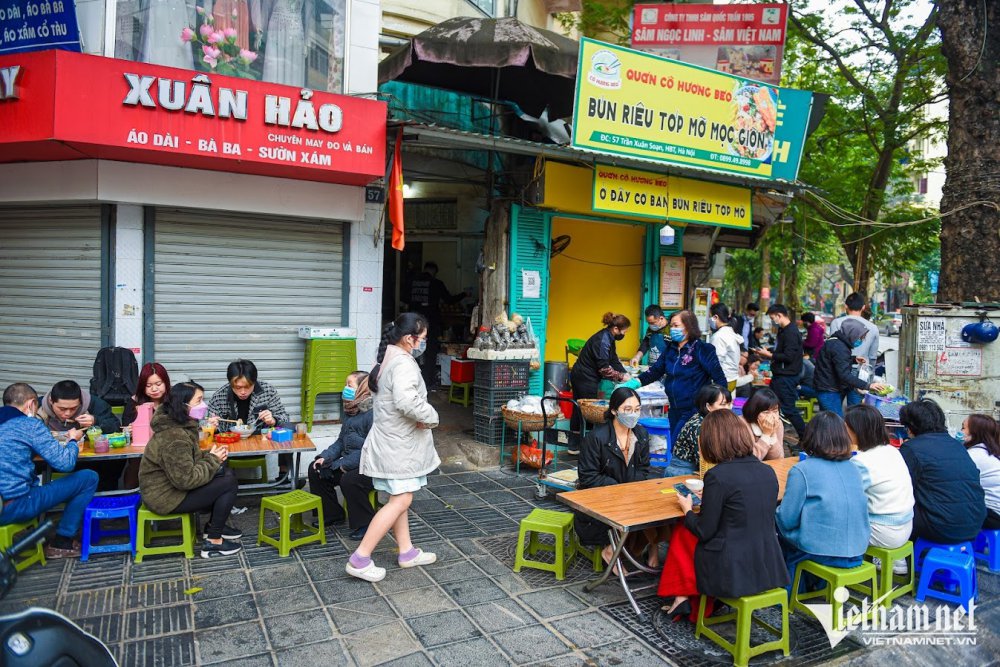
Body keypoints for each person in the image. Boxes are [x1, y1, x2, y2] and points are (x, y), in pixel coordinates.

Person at [658, 409, 789, 621]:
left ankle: (685, 597)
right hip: (766, 563)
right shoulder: (766, 471)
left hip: (731, 570)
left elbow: (704, 531)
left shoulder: (717, 476)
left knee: (684, 531)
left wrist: (687, 509)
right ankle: (683, 597)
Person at [349, 313, 440, 582]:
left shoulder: (390, 357)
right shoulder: (402, 364)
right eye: (422, 339)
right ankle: (360, 558)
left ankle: (407, 551)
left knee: (398, 497)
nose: (423, 343)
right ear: (409, 338)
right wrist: (431, 416)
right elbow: (406, 401)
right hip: (398, 445)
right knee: (402, 499)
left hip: (393, 441)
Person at [139, 382, 242, 558]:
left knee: (227, 471)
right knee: (229, 482)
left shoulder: (181, 425)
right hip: (165, 497)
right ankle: (213, 542)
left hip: (172, 488)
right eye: (199, 400)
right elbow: (186, 480)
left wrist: (212, 456)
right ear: (183, 405)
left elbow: (188, 461)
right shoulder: (174, 437)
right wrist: (212, 459)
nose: (204, 405)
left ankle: (213, 527)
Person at [0, 383, 98, 559]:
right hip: (14, 506)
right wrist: (73, 441)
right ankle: (62, 542)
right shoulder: (29, 425)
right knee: (89, 477)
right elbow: (65, 463)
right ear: (31, 404)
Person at [776, 412, 870, 590]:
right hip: (858, 547)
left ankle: (789, 593)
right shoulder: (854, 467)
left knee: (778, 532)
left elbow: (786, 519)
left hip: (822, 550)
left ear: (811, 436)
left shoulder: (802, 469)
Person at [574, 387, 656, 569]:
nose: (633, 414)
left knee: (658, 509)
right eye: (627, 409)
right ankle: (612, 548)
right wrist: (619, 490)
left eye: (636, 409)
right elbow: (588, 476)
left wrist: (631, 490)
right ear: (614, 410)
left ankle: (652, 547)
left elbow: (643, 469)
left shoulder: (641, 434)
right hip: (600, 499)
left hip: (629, 494)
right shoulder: (596, 438)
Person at [627, 310, 726, 444]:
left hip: (694, 410)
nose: (672, 329)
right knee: (675, 447)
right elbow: (655, 371)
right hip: (674, 408)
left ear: (689, 326)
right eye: (671, 326)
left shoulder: (703, 349)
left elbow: (720, 379)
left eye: (676, 326)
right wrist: (635, 382)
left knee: (677, 444)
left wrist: (718, 405)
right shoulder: (671, 349)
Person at [898, 399, 986, 543]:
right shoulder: (956, 445)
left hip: (943, 527)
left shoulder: (912, 448)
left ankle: (901, 557)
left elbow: (902, 488)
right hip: (975, 522)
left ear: (910, 427)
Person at [845, 405, 914, 574]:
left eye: (845, 426)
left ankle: (847, 565)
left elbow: (844, 495)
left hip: (884, 531)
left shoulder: (862, 462)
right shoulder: (892, 450)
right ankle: (894, 560)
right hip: (905, 526)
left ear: (857, 430)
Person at [308, 371, 376, 540]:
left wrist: (341, 465)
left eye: (350, 385)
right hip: (349, 462)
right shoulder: (350, 411)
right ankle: (332, 514)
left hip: (371, 465)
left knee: (350, 480)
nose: (345, 388)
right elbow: (340, 442)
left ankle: (365, 524)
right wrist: (325, 457)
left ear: (363, 388)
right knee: (315, 468)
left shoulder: (373, 414)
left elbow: (370, 449)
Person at [207, 359, 292, 481]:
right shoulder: (219, 396)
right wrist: (212, 426)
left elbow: (284, 417)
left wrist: (273, 420)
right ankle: (221, 480)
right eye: (237, 387)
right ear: (231, 384)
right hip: (230, 442)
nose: (242, 392)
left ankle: (284, 478)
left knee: (289, 427)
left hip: (261, 439)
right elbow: (208, 424)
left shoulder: (268, 391)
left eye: (247, 387)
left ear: (254, 382)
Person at [38, 380, 122, 491]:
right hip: (51, 460)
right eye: (62, 409)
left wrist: (95, 421)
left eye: (73, 408)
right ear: (51, 401)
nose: (67, 413)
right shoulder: (38, 407)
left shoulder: (94, 404)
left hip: (86, 461)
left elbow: (115, 426)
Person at [405, 261, 466, 388]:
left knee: (410, 350)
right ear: (434, 271)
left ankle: (410, 381)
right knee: (430, 353)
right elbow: (449, 300)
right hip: (430, 322)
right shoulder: (436, 283)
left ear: (425, 269)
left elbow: (403, 298)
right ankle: (428, 382)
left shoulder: (412, 282)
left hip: (412, 321)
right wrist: (464, 294)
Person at [813, 319, 888, 417]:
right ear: (852, 334)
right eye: (860, 338)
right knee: (837, 423)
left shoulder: (836, 342)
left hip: (826, 387)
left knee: (828, 422)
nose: (861, 340)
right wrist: (868, 386)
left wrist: (853, 359)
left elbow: (834, 361)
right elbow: (844, 375)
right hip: (828, 390)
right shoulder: (839, 347)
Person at [757, 305, 807, 438]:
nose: (773, 321)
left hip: (787, 377)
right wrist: (769, 352)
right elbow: (782, 351)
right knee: (770, 404)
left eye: (773, 318)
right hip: (780, 375)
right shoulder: (783, 330)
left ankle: (805, 438)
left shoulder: (791, 332)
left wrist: (769, 355)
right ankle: (771, 433)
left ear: (779, 315)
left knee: (789, 409)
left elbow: (789, 356)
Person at [121, 362, 172, 488]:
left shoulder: (173, 401)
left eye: (158, 384)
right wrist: (129, 430)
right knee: (136, 465)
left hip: (168, 449)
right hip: (141, 452)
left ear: (166, 382)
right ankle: (132, 495)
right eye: (148, 385)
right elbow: (125, 427)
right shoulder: (134, 402)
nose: (154, 389)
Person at [666, 384, 731, 478]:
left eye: (729, 404)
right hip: (683, 473)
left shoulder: (714, 420)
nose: (728, 408)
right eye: (723, 404)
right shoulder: (698, 426)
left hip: (702, 469)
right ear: (708, 406)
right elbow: (705, 460)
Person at [829, 293, 880, 407]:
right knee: (856, 412)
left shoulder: (836, 323)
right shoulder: (873, 328)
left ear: (846, 306)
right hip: (861, 373)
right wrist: (869, 379)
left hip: (839, 371)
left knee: (834, 411)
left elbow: (832, 348)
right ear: (863, 307)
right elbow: (872, 357)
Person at [960, 414, 1000, 529]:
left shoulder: (974, 455)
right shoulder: (992, 451)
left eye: (963, 428)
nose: (960, 431)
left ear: (975, 432)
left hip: (994, 515)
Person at [740, 389, 786, 461]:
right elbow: (750, 460)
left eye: (775, 411)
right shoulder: (741, 424)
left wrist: (772, 433)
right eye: (766, 412)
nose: (772, 416)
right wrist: (766, 434)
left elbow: (778, 458)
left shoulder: (778, 423)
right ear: (754, 410)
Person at [709, 302, 743, 392]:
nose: (709, 320)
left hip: (723, 380)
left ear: (715, 317)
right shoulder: (730, 332)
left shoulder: (719, 336)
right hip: (731, 379)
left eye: (710, 316)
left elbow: (715, 361)